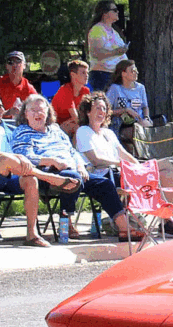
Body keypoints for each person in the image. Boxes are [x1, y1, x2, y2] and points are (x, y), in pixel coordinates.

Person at [8, 95, 93, 242]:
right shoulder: (22, 131)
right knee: (73, 178)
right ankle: (66, 222)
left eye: (41, 110)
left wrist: (80, 165)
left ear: (48, 113)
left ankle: (123, 227)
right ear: (25, 114)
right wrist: (52, 161)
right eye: (33, 110)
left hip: (71, 168)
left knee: (103, 184)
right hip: (45, 172)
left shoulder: (55, 129)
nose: (37, 114)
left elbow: (72, 151)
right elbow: (23, 157)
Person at [73, 93, 152, 240]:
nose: (101, 112)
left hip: (115, 173)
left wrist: (140, 166)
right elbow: (95, 160)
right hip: (94, 175)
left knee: (146, 177)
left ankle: (154, 219)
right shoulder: (83, 131)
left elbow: (123, 154)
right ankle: (124, 226)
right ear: (88, 111)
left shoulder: (108, 133)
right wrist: (119, 164)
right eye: (97, 108)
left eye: (104, 109)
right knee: (113, 183)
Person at [86, 0, 128, 90]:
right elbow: (96, 53)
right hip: (102, 76)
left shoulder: (114, 32)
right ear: (104, 13)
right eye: (114, 10)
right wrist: (117, 51)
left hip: (115, 76)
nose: (118, 12)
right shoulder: (97, 29)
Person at [105, 59, 151, 140]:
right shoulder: (115, 89)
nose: (136, 72)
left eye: (136, 70)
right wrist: (125, 110)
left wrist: (146, 118)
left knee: (148, 127)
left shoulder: (140, 88)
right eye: (133, 71)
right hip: (122, 125)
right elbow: (106, 111)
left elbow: (145, 107)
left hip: (140, 122)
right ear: (123, 74)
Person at [51, 60, 91, 138]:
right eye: (83, 73)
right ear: (73, 75)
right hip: (56, 127)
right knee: (78, 128)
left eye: (87, 73)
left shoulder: (86, 91)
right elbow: (76, 118)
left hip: (72, 122)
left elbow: (88, 112)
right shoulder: (65, 90)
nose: (87, 76)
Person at [2, 51, 37, 118]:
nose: (14, 65)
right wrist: (6, 113)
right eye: (10, 62)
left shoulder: (29, 88)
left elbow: (38, 110)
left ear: (24, 65)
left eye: (18, 61)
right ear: (6, 66)